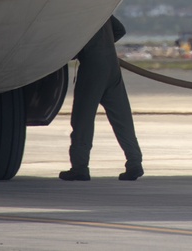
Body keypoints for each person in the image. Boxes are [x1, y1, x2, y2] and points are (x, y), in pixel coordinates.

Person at [59, 15, 143, 181]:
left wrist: (81, 51)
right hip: (112, 66)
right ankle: (135, 162)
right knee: (122, 119)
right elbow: (120, 30)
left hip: (92, 67)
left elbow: (67, 44)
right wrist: (105, 46)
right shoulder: (101, 8)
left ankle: (79, 167)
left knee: (82, 119)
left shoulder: (74, 13)